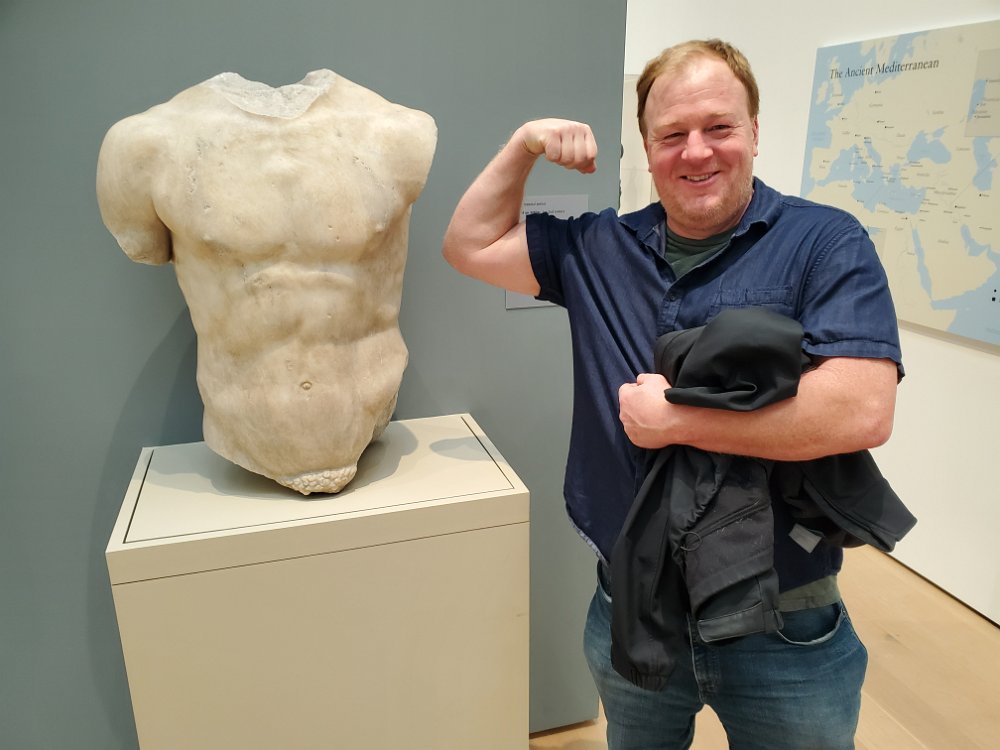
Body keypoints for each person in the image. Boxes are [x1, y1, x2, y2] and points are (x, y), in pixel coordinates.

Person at [443, 38, 902, 749]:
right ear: (647, 148)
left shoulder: (824, 243)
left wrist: (679, 421)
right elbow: (468, 245)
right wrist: (523, 145)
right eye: (672, 135)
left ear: (755, 131)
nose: (696, 152)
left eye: (719, 127)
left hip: (783, 622)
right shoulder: (598, 248)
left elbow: (861, 409)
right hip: (632, 603)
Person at [97, 70, 436, 494]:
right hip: (237, 422)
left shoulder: (397, 133)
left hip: (370, 403)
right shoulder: (144, 146)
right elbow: (143, 247)